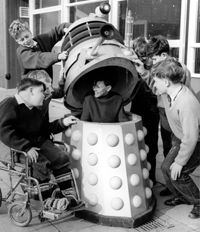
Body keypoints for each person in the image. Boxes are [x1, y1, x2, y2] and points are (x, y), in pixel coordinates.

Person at [0, 78, 80, 207]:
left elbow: (44, 129)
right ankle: (46, 200)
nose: (46, 94)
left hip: (33, 144)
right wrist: (26, 147)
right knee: (40, 163)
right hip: (14, 148)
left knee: (60, 157)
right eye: (42, 91)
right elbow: (4, 131)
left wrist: (63, 123)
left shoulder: (35, 110)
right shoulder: (10, 104)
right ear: (31, 91)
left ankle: (68, 194)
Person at [132, 35, 193, 196]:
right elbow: (156, 88)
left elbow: (170, 94)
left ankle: (181, 190)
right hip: (165, 113)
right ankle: (173, 187)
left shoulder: (179, 71)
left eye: (154, 58)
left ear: (164, 55)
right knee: (168, 150)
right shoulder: (161, 69)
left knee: (176, 150)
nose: (152, 61)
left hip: (175, 114)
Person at [151, 59, 200, 219]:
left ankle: (198, 202)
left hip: (196, 142)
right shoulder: (169, 93)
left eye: (156, 81)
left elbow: (192, 137)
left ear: (165, 81)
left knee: (179, 172)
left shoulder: (187, 103)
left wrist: (180, 162)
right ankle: (182, 196)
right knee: (166, 167)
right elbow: (156, 87)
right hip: (184, 139)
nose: (154, 85)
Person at [130, 37, 160, 186]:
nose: (144, 59)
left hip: (150, 106)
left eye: (145, 56)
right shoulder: (135, 66)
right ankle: (142, 176)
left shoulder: (153, 68)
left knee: (151, 144)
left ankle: (151, 177)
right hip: (139, 105)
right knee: (138, 142)